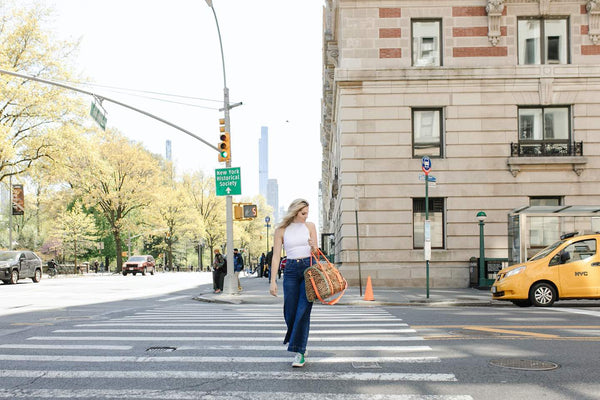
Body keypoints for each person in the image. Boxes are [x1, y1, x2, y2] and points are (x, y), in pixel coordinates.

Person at [269, 199, 318, 368]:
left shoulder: (310, 226)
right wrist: (272, 280)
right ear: (295, 212)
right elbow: (276, 256)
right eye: (303, 213)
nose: (306, 216)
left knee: (303, 311)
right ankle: (299, 342)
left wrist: (313, 246)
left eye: (307, 213)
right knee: (289, 311)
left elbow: (317, 253)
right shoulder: (281, 230)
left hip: (308, 269)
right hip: (289, 269)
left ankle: (300, 351)